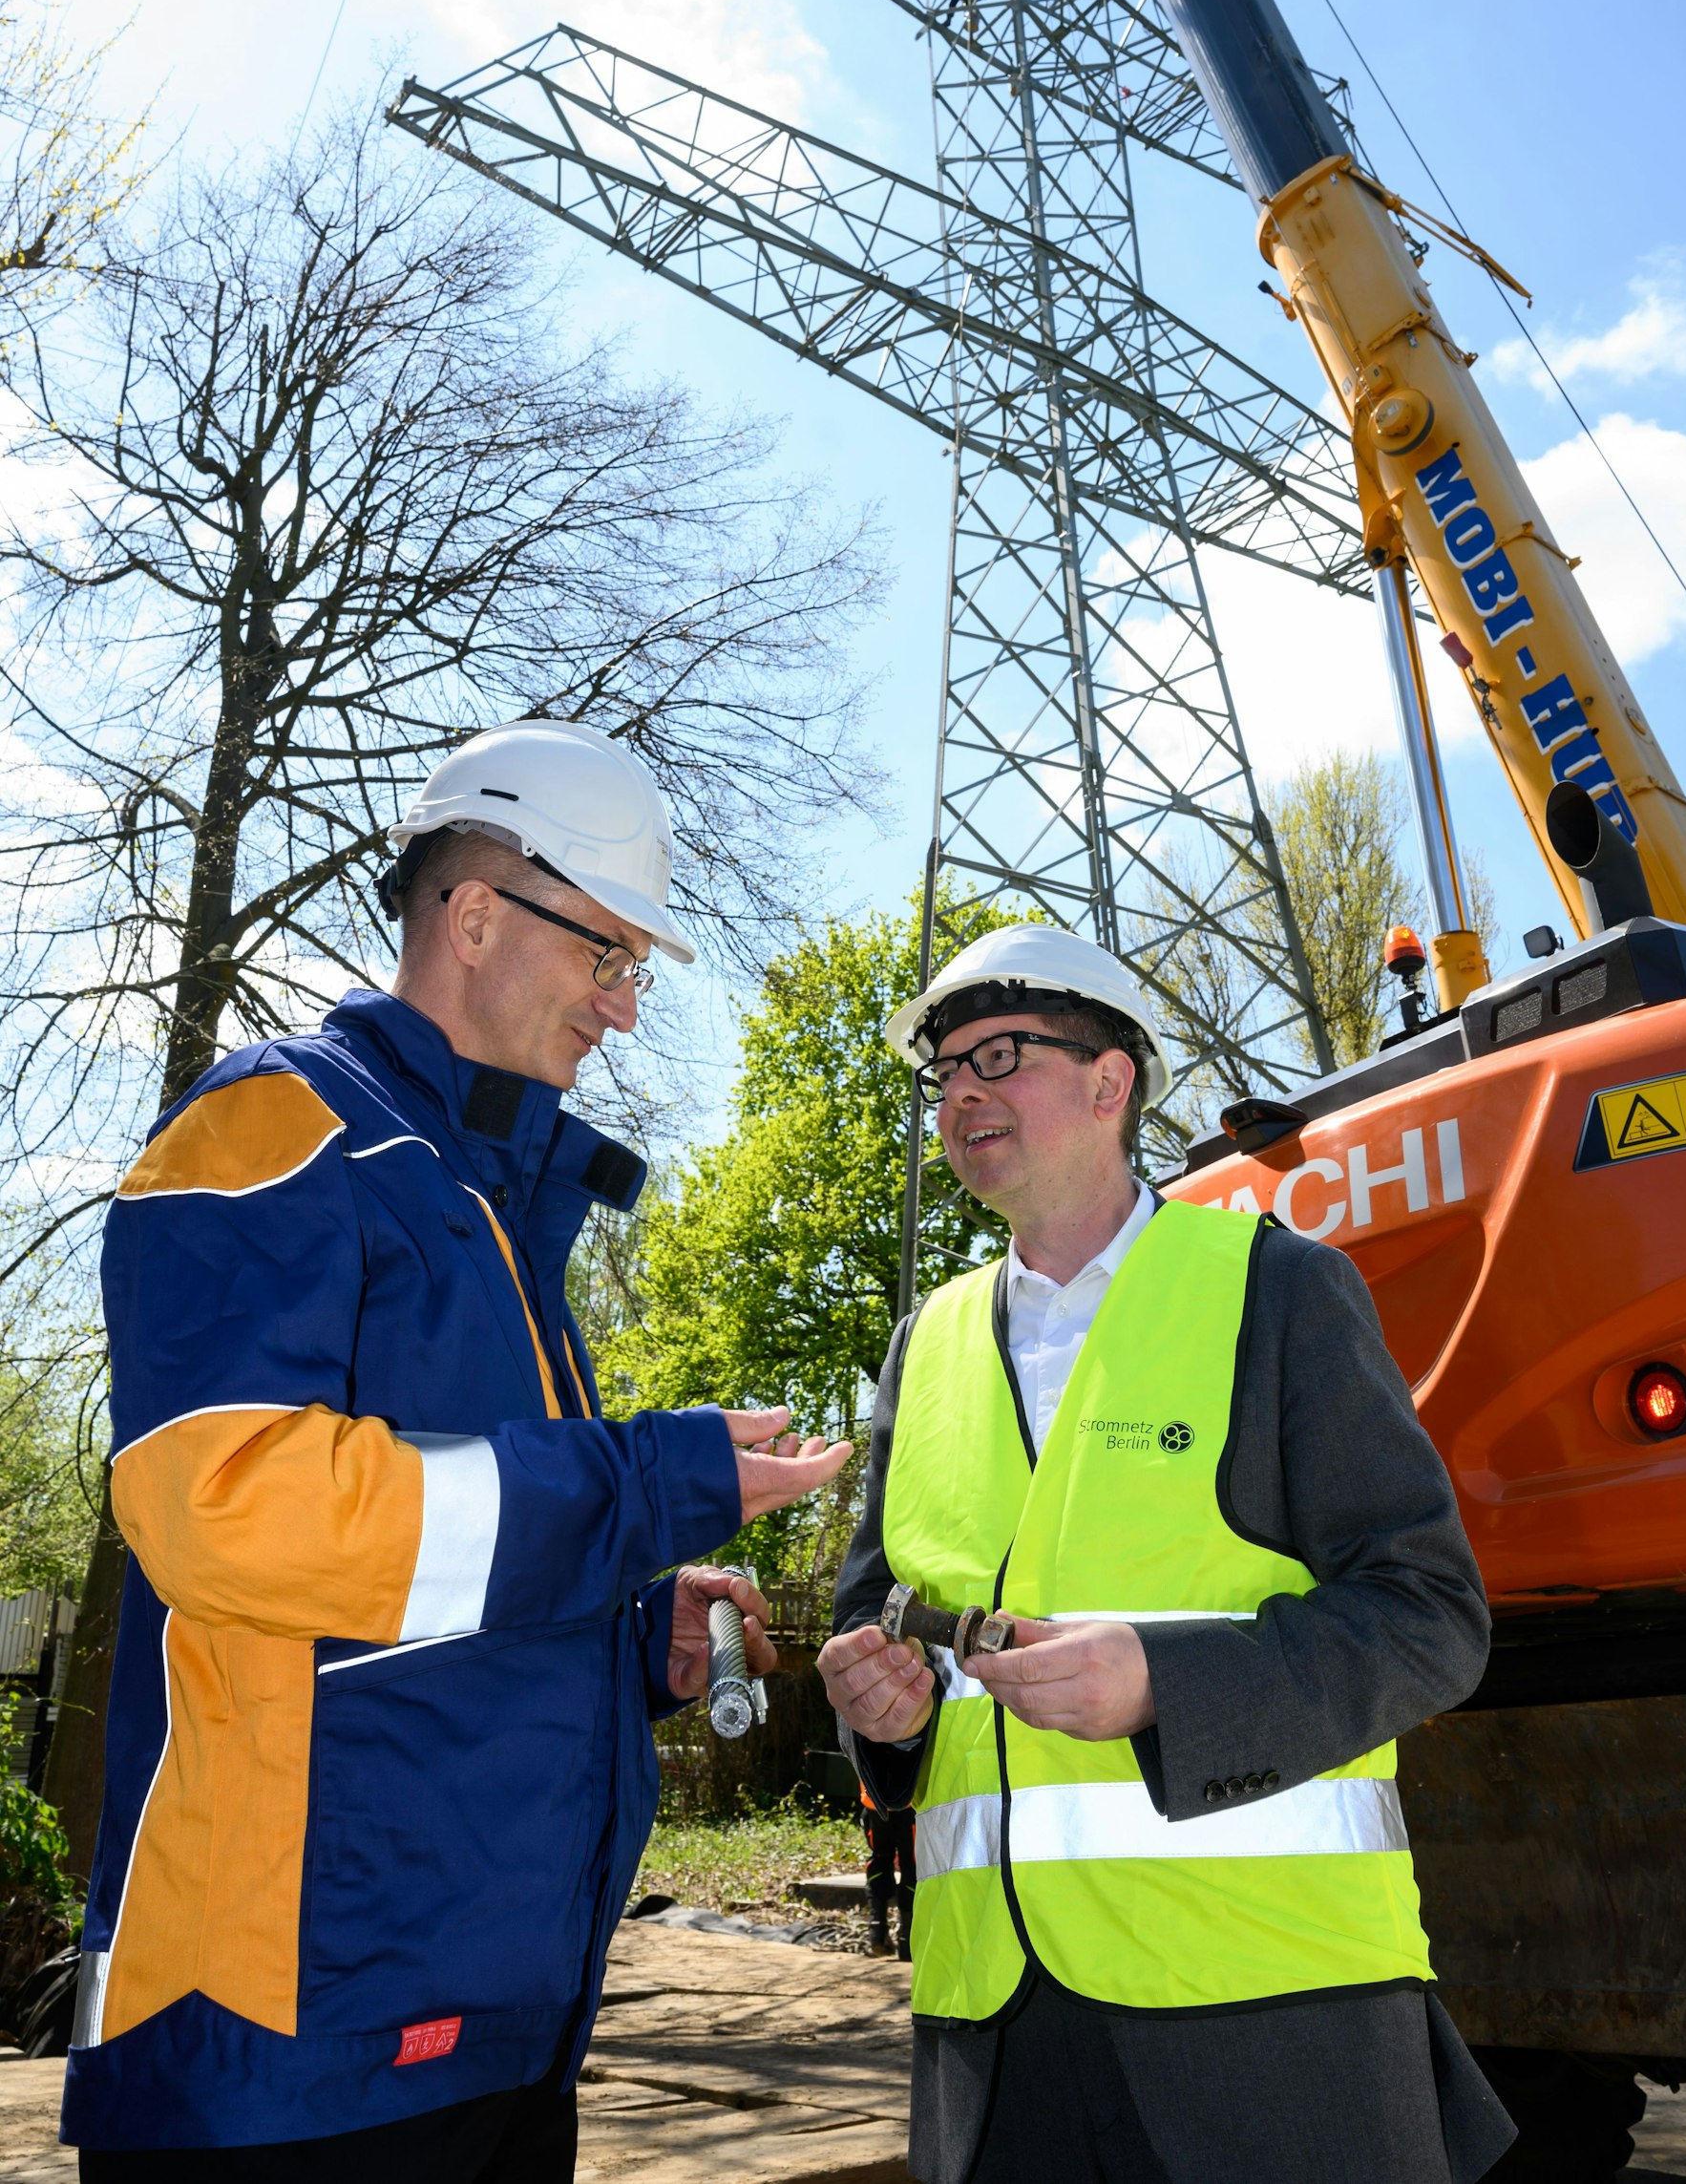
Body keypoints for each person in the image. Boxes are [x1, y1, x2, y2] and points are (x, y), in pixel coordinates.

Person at [63, 719, 852, 2179]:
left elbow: (435, 1575)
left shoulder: (491, 1212)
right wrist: (640, 1485)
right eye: (607, 953)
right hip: (282, 2051)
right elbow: (232, 1518)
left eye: (635, 967)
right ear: (476, 916)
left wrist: (634, 1637)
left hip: (491, 2029)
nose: (625, 1008)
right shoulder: (273, 1132)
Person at [817, 925, 1517, 2184]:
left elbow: (1429, 1618)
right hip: (993, 2038)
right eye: (945, 1071)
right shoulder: (924, 1346)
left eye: (999, 1056)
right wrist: (881, 1711)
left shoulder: (1278, 1289)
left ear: (1110, 1082)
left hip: (1268, 2021)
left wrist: (1163, 1685)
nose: (961, 1092)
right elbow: (875, 1621)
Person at [857, 1780, 916, 1960]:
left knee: (880, 1859)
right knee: (912, 1866)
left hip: (873, 1798)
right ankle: (908, 1941)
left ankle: (877, 1933)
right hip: (909, 1801)